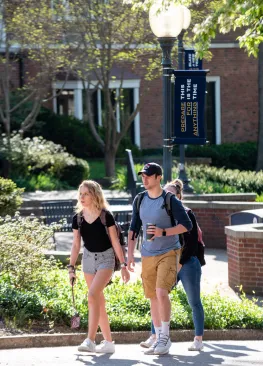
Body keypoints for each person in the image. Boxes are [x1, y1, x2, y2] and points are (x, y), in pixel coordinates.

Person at [127, 163, 192, 355]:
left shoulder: (170, 200)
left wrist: (164, 231)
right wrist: (130, 255)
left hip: (169, 251)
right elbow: (133, 228)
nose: (144, 179)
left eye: (148, 176)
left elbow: (186, 225)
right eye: (142, 176)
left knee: (162, 292)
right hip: (147, 253)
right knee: (152, 296)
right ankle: (156, 337)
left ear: (158, 178)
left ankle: (165, 337)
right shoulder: (139, 199)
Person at [140, 178, 205, 352]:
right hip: (167, 260)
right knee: (157, 295)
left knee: (194, 301)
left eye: (170, 194)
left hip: (187, 264)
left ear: (178, 197)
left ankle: (198, 338)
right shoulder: (161, 215)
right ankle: (155, 336)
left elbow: (191, 244)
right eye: (165, 193)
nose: (166, 197)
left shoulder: (186, 214)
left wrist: (180, 263)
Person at [68, 180, 130, 354]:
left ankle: (90, 340)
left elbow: (116, 242)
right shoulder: (78, 218)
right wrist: (71, 268)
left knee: (92, 294)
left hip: (106, 258)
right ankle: (109, 343)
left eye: (86, 193)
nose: (82, 197)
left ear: (94, 195)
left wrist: (123, 265)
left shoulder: (105, 215)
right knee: (98, 301)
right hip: (88, 259)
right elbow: (75, 245)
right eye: (80, 193)